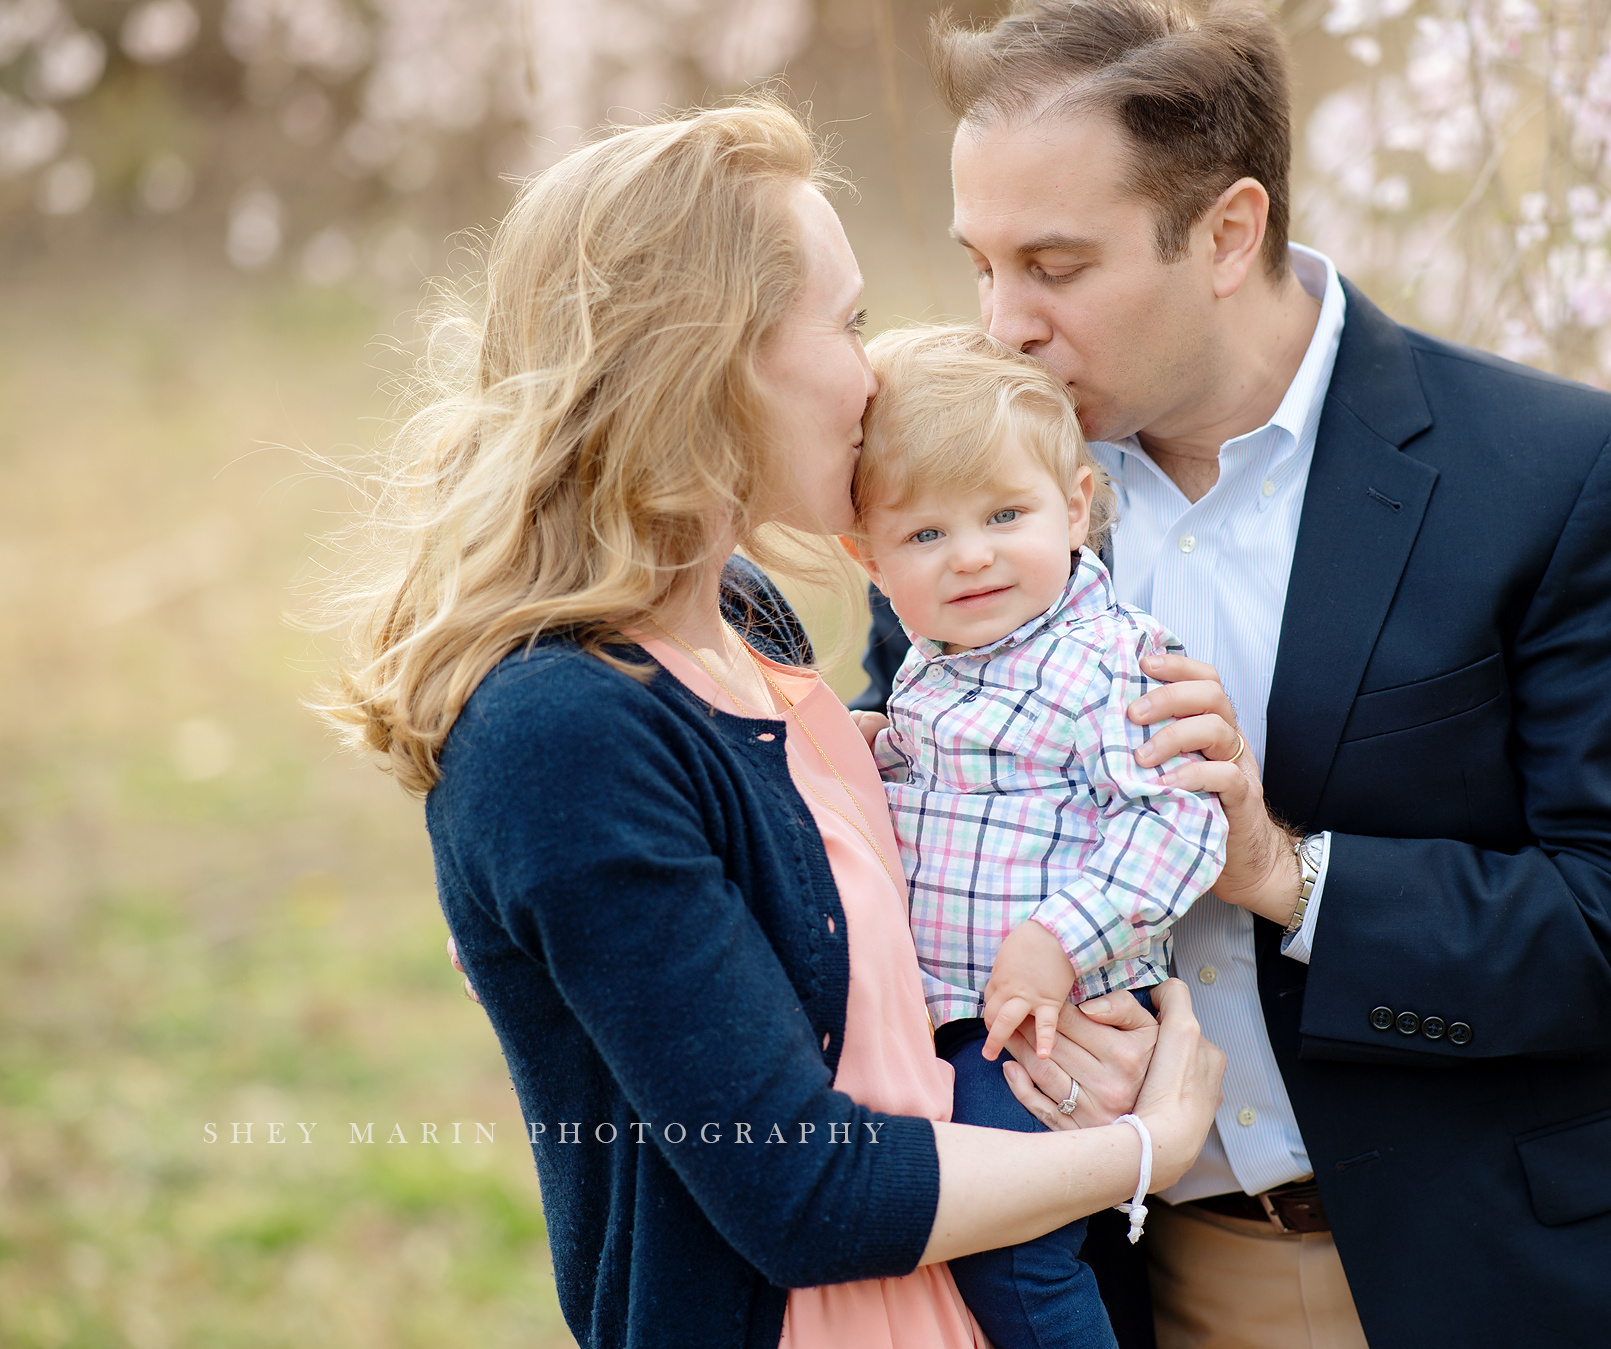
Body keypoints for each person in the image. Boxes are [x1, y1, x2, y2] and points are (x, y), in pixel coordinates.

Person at [849, 0, 1611, 1347]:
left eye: (1055, 265)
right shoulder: (968, 514)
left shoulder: (1557, 474)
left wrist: (1284, 870)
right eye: (982, 264)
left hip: (1537, 1288)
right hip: (1154, 1286)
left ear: (1226, 231)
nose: (1003, 323)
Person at [325, 99, 1232, 1349]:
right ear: (709, 362)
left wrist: (1061, 1018)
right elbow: (802, 1193)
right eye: (848, 324)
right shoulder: (561, 731)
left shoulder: (742, 619)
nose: (876, 373)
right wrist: (1148, 1145)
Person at [846, 325, 1229, 1349]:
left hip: (1053, 1018)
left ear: (1074, 507)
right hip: (955, 1015)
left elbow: (1178, 821)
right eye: (924, 535)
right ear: (869, 559)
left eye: (1004, 515)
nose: (969, 554)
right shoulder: (936, 662)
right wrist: (861, 757)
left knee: (1012, 1256)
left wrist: (1061, 937)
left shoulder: (1109, 661)